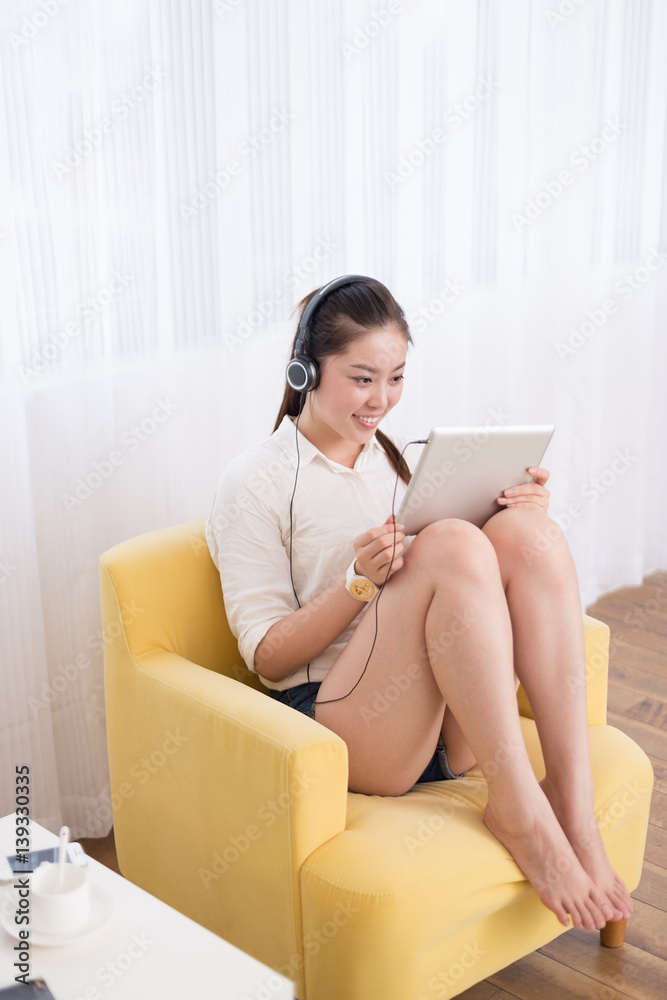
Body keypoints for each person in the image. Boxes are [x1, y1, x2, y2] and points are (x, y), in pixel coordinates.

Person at [206, 275, 632, 933]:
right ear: (304, 368)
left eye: (396, 377)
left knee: (528, 535)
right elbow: (265, 657)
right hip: (344, 726)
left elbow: (470, 583)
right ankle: (519, 812)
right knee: (454, 544)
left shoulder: (400, 462)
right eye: (362, 378)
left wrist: (512, 513)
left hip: (447, 724)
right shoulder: (255, 481)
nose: (382, 400)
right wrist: (357, 582)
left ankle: (570, 808)